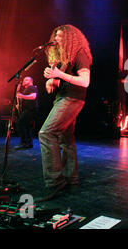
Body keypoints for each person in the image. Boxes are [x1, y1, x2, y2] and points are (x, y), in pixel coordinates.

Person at [38, 24, 92, 201]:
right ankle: (71, 179)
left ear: (70, 38)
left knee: (46, 133)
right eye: (56, 36)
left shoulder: (80, 53)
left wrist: (59, 76)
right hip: (63, 97)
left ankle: (54, 182)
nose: (57, 39)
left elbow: (85, 82)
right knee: (65, 139)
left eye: (61, 36)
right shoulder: (63, 58)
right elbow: (58, 80)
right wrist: (51, 81)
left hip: (73, 99)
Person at [15, 76, 38, 149]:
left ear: (31, 81)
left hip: (30, 110)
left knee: (20, 124)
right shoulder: (27, 89)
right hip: (28, 109)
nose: (24, 81)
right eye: (24, 80)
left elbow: (33, 97)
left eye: (26, 80)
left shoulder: (32, 87)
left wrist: (21, 96)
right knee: (27, 127)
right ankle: (29, 143)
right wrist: (19, 104)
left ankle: (24, 142)